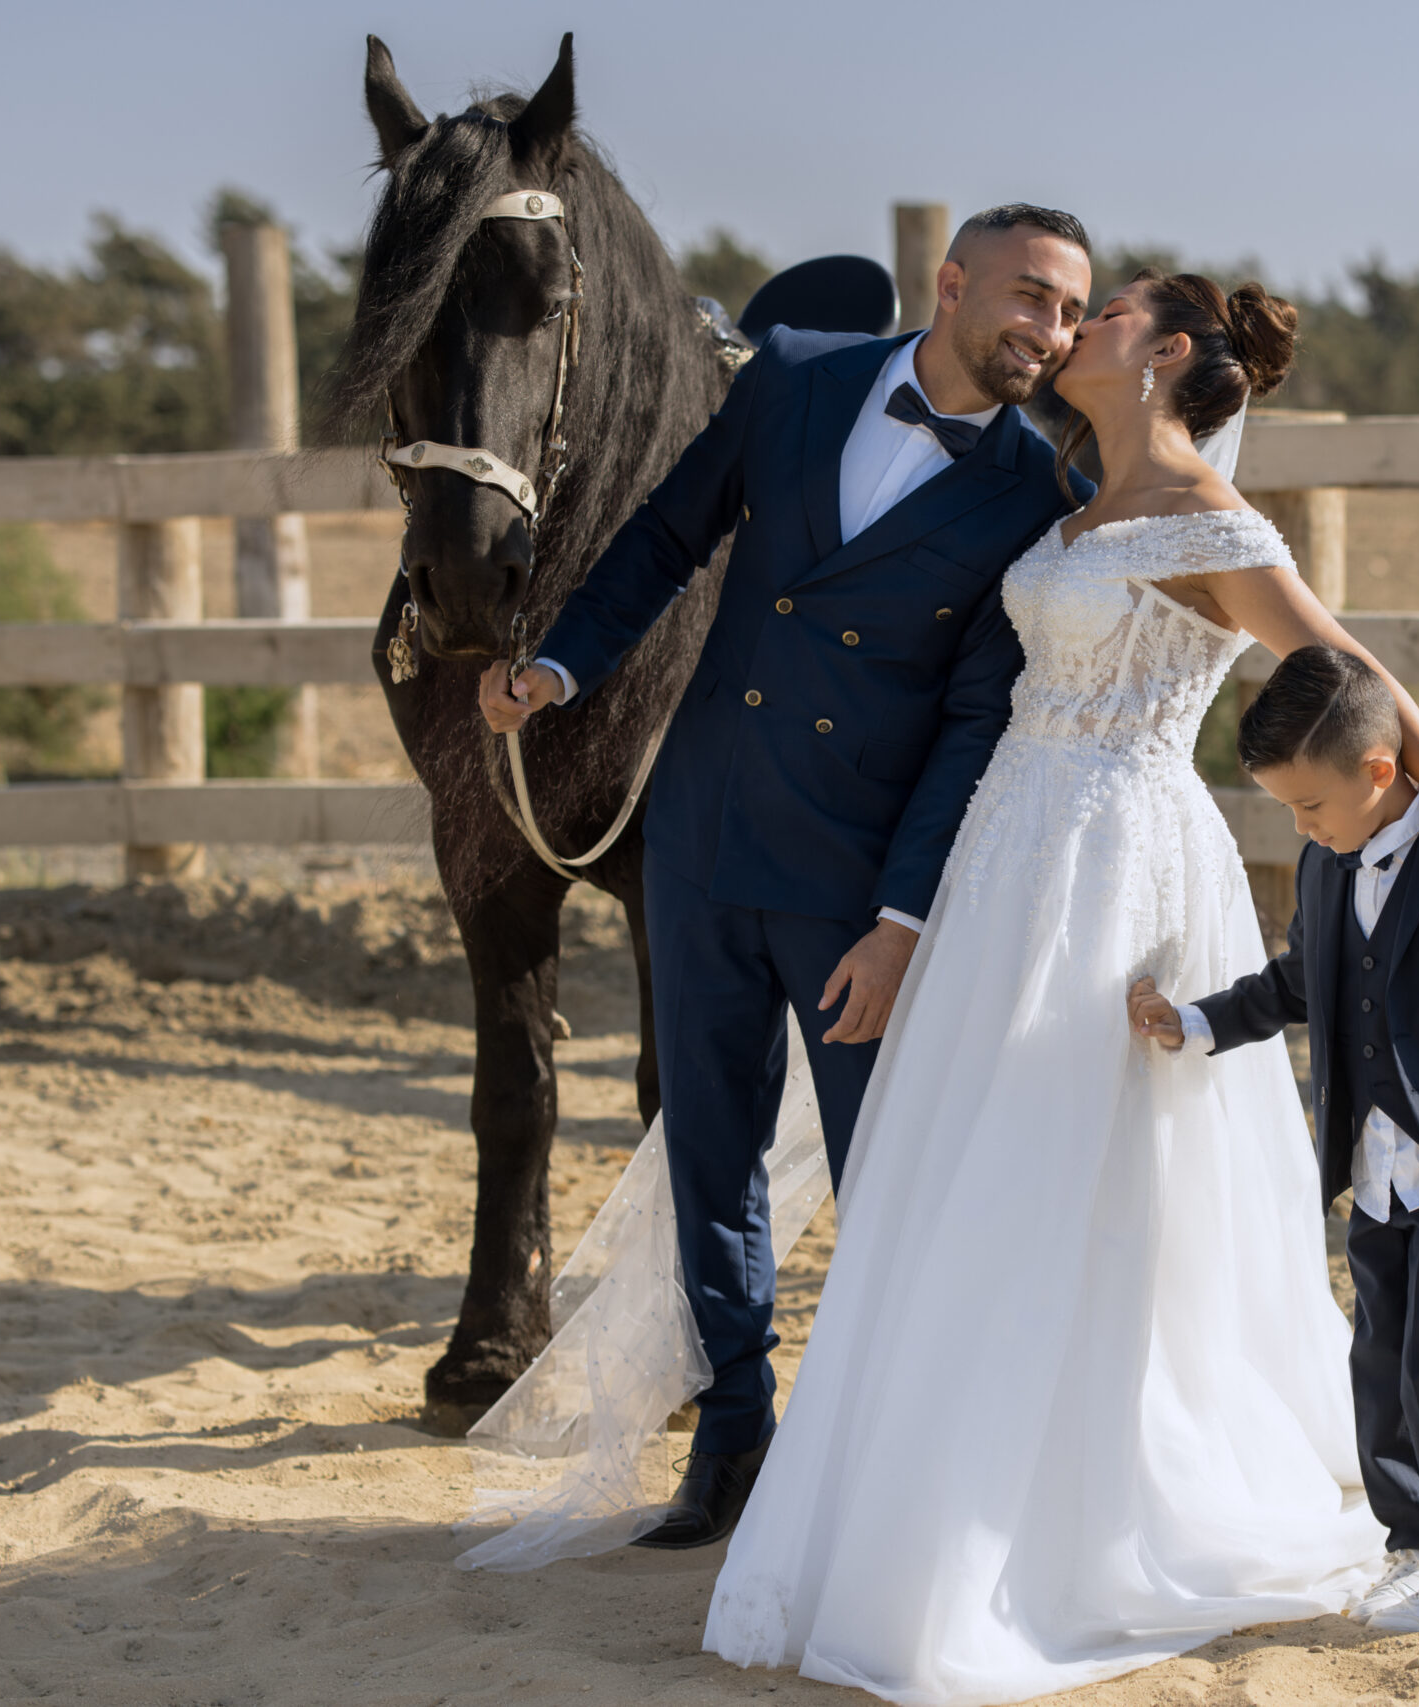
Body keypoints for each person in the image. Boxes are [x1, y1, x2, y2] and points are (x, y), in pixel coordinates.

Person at [700, 270, 1419, 1702]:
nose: (1074, 328)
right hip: (1009, 853)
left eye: (1106, 315)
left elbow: (1345, 666)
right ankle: (923, 1488)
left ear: (1163, 355)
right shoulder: (1078, 502)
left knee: (1078, 1164)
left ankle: (1060, 1509)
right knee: (968, 1155)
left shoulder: (1212, 522)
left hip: (1118, 863)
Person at [479, 204, 1098, 1549]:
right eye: (1030, 297)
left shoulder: (1041, 493)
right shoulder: (798, 378)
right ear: (952, 283)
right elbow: (665, 536)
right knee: (707, 1150)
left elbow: (974, 722)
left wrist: (902, 917)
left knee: (886, 1171)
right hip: (701, 834)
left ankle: (880, 1454)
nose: (1050, 333)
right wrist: (562, 665)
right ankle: (733, 1435)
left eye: (1068, 313)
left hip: (855, 880)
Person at [1132, 644, 1419, 1635]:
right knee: (1377, 1368)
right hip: (1378, 1168)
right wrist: (1199, 1023)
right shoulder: (1326, 863)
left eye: (1310, 806)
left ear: (1379, 771)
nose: (1302, 827)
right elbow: (1303, 982)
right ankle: (1416, 1546)